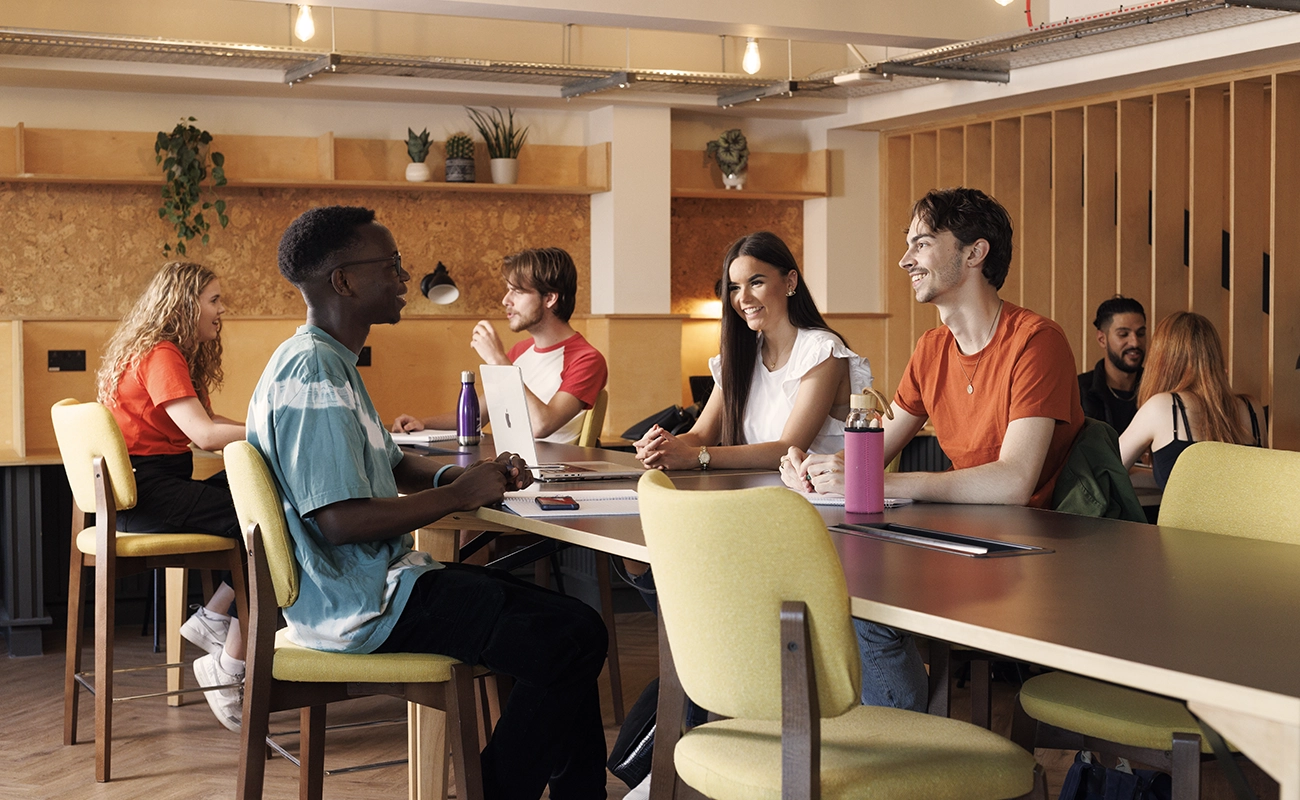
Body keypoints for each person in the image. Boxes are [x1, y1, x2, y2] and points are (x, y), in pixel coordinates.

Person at [247, 205, 608, 800]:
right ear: (344, 280)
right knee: (569, 639)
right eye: (390, 265)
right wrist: (458, 493)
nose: (404, 277)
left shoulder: (329, 360)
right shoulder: (314, 374)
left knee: (570, 631)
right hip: (361, 601)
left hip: (371, 585)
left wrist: (468, 475)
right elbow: (338, 521)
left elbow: (391, 465)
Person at [783, 187, 1084, 508]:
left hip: (1037, 538)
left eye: (922, 244)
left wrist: (870, 479)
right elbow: (868, 456)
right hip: (963, 527)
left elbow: (1013, 483)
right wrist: (814, 470)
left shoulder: (1036, 340)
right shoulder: (931, 348)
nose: (904, 261)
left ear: (974, 253)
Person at [96, 261, 249, 732]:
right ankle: (228, 664)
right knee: (276, 514)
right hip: (152, 496)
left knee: (250, 485)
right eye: (214, 300)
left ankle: (214, 613)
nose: (222, 309)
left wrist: (259, 429)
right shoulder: (162, 353)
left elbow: (205, 418)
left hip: (145, 493)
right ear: (186, 304)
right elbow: (203, 434)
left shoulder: (153, 350)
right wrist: (279, 429)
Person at [633, 230, 871, 471]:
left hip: (818, 499)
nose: (743, 298)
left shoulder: (822, 351)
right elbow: (700, 435)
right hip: (756, 497)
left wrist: (698, 457)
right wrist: (661, 447)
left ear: (790, 281)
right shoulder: (740, 355)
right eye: (734, 287)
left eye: (756, 282)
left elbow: (788, 449)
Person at [392, 247, 607, 444]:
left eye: (518, 291)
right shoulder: (520, 352)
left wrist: (498, 360)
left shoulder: (586, 359)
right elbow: (479, 414)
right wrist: (423, 423)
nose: (506, 300)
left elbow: (541, 426)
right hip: (510, 467)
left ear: (549, 298)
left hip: (549, 475)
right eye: (508, 290)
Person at [1118, 311, 1264, 486]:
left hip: (1186, 514)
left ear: (1161, 359)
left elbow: (1107, 469)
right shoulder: (1251, 408)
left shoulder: (1162, 407)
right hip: (1248, 514)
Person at [1079, 295, 1146, 434]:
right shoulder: (1078, 391)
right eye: (1123, 334)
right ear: (1102, 339)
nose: (1135, 342)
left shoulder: (1160, 388)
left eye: (1140, 334)